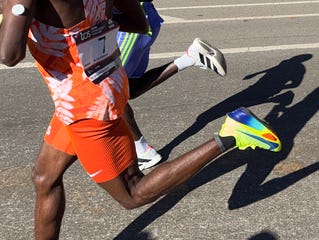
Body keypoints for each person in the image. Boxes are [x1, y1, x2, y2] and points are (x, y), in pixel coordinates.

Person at [0, 0, 281, 239]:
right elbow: (136, 22)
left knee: (132, 192)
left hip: (85, 106)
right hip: (107, 78)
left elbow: (10, 54)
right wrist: (88, 28)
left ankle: (233, 133)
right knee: (44, 177)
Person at [113, 1, 227, 170]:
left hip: (129, 23)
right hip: (139, 18)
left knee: (110, 90)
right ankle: (191, 57)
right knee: (131, 87)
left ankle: (143, 151)